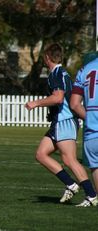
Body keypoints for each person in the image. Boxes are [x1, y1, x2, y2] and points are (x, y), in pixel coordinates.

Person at [25, 43, 97, 206]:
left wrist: (35, 103)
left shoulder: (56, 73)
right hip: (60, 121)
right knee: (41, 154)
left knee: (69, 159)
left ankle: (91, 195)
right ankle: (71, 185)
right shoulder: (60, 72)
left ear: (47, 57)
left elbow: (58, 97)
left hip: (64, 121)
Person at [70, 55, 98, 206]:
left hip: (92, 132)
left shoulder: (85, 69)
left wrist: (91, 118)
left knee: (96, 166)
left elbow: (74, 104)